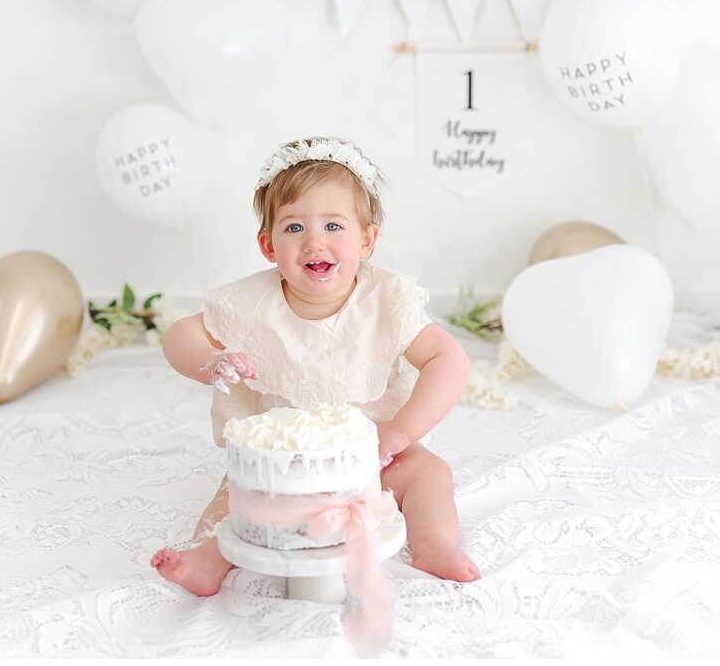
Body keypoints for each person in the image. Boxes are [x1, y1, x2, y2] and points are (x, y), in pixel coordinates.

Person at [151, 137, 480, 598]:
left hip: (374, 457)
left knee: (429, 473)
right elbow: (180, 335)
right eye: (293, 227)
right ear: (268, 245)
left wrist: (399, 432)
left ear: (366, 239)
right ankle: (208, 557)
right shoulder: (249, 303)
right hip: (281, 467)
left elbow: (449, 360)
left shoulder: (387, 300)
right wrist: (211, 361)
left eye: (333, 225)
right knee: (235, 496)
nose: (313, 242)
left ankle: (433, 543)